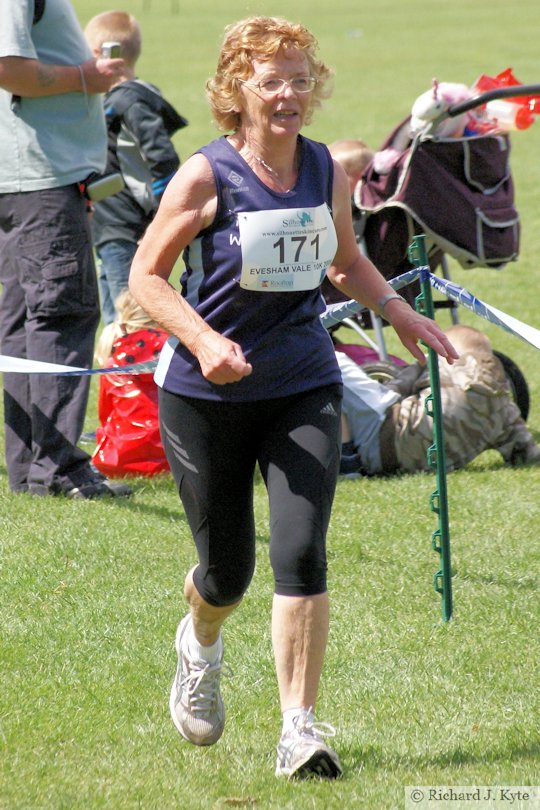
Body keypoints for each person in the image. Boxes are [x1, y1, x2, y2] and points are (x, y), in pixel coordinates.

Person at [128, 15, 458, 780]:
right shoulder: (206, 175)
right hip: (204, 396)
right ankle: (200, 641)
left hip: (304, 381)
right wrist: (206, 342)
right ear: (235, 90)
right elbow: (146, 275)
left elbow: (344, 263)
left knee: (301, 553)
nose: (287, 95)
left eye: (300, 80)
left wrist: (400, 311)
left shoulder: (323, 170)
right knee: (227, 573)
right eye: (270, 80)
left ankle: (299, 731)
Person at [0, 0, 132, 499]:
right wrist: (86, 76)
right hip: (40, 177)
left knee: (24, 326)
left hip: (28, 177)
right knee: (61, 316)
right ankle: (57, 473)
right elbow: (10, 69)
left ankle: (33, 471)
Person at [84, 11, 187, 325]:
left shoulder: (129, 101)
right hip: (107, 224)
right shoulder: (122, 98)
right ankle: (114, 375)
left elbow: (164, 159)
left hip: (124, 225)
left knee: (130, 316)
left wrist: (159, 222)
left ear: (105, 54)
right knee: (114, 316)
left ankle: (136, 375)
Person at [337, 324, 540, 476]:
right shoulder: (504, 409)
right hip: (405, 464)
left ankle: (346, 460)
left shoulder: (437, 362)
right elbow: (527, 454)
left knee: (333, 362)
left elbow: (394, 389)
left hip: (386, 440)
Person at [92, 289, 170, 478]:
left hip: (117, 460)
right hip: (173, 459)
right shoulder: (176, 358)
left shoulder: (113, 365)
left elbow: (105, 414)